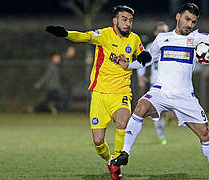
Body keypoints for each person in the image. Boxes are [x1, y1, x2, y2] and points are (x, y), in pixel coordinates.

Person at [111, 3, 209, 180]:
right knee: (140, 108)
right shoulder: (162, 38)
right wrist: (128, 65)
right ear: (178, 17)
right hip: (161, 91)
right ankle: (125, 153)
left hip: (184, 97)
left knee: (206, 134)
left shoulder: (197, 38)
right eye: (187, 19)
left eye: (193, 22)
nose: (189, 24)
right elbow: (147, 59)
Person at [45, 5, 151, 180]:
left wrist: (144, 57)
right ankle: (110, 160)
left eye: (130, 20)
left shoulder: (134, 39)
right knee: (98, 141)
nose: (128, 24)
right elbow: (84, 36)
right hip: (100, 94)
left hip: (121, 92)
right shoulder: (104, 35)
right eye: (124, 19)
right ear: (115, 21)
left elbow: (143, 56)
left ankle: (117, 161)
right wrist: (66, 34)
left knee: (123, 121)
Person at [137, 21, 171, 145]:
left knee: (172, 113)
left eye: (165, 31)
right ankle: (161, 135)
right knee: (156, 111)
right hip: (155, 84)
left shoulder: (173, 45)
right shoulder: (151, 46)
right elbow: (143, 62)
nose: (163, 34)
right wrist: (140, 76)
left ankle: (167, 119)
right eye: (161, 31)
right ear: (156, 33)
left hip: (172, 84)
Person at [60, 46, 76, 112]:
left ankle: (66, 110)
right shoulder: (63, 59)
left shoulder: (73, 60)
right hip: (63, 82)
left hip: (69, 82)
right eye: (71, 51)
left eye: (73, 51)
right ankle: (62, 110)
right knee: (63, 96)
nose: (73, 53)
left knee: (69, 96)